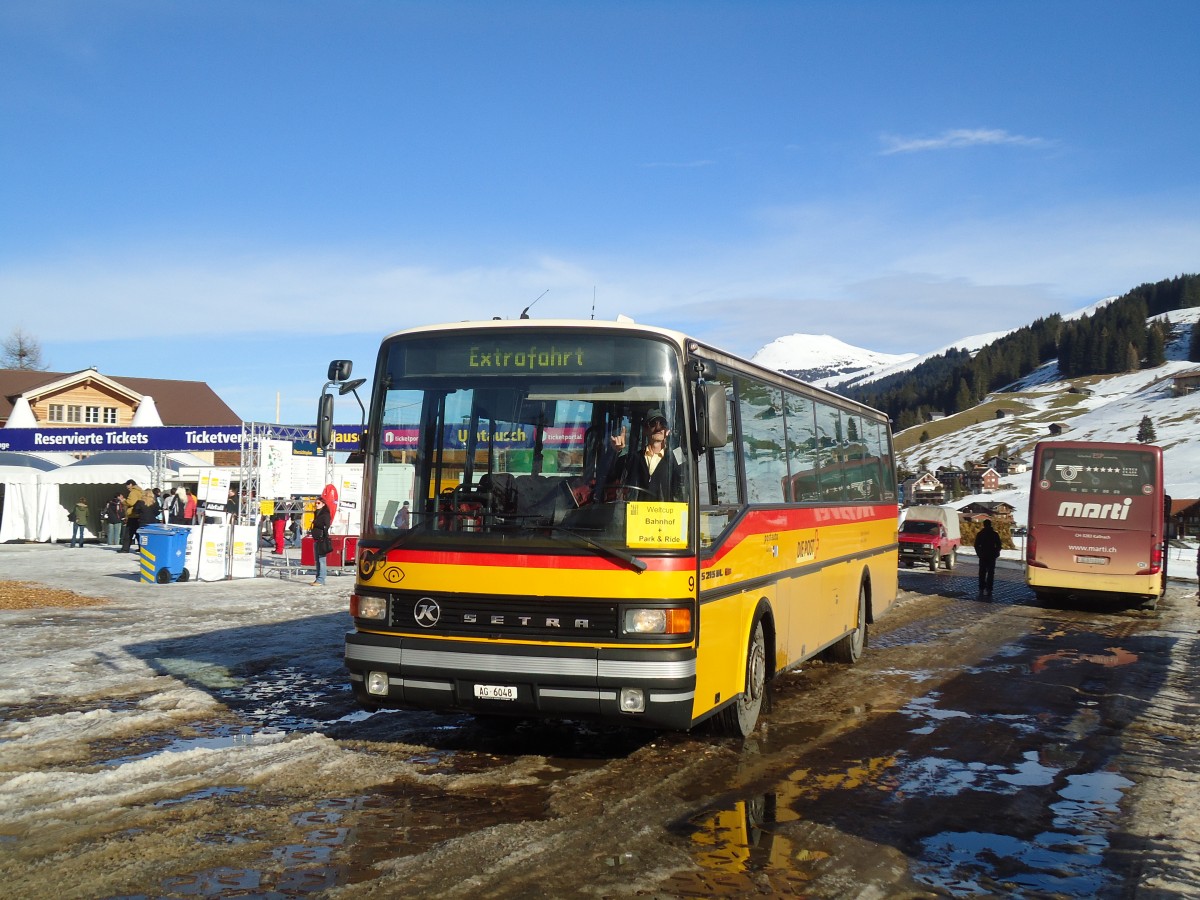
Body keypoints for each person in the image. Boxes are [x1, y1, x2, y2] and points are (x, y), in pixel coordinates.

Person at [609, 408, 685, 502]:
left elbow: (685, 481)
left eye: (662, 423)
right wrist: (616, 451)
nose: (658, 428)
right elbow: (610, 475)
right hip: (636, 514)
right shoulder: (633, 459)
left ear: (667, 430)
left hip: (666, 514)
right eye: (653, 423)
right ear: (645, 430)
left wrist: (674, 442)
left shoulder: (676, 457)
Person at [975, 519, 1002, 595]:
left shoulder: (980, 534)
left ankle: (981, 587)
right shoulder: (994, 534)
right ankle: (989, 588)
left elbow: (976, 545)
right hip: (991, 556)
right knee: (990, 573)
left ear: (984, 525)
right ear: (990, 525)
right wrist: (996, 553)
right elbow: (999, 545)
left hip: (983, 556)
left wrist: (979, 553)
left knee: (982, 572)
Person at [309, 497, 333, 586]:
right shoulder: (317, 513)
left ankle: (321, 579)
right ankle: (318, 579)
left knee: (321, 560)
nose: (316, 504)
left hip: (322, 539)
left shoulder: (325, 514)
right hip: (316, 538)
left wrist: (315, 522)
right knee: (317, 560)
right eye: (316, 503)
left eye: (318, 503)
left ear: (323, 504)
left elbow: (326, 525)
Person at [120, 480, 143, 553]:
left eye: (127, 486)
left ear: (130, 484)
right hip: (139, 515)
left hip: (133, 515)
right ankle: (141, 548)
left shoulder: (133, 492)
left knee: (128, 533)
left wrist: (123, 501)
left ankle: (125, 549)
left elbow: (131, 502)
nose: (127, 488)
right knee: (138, 533)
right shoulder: (141, 491)